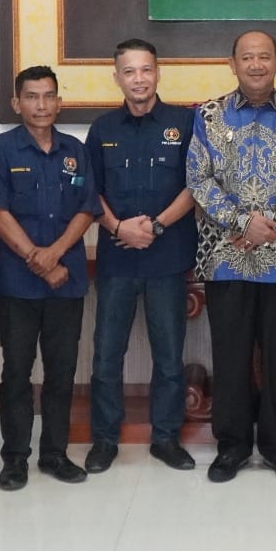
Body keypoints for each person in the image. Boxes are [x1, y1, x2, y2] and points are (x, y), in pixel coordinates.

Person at [186, 30, 276, 484]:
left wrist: (275, 223)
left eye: (264, 56)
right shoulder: (207, 115)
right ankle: (231, 445)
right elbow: (198, 178)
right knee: (230, 354)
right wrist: (241, 222)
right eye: (247, 57)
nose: (255, 64)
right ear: (232, 64)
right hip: (225, 254)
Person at [0, 66, 99, 490]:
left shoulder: (75, 150)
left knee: (61, 372)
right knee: (16, 371)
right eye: (32, 96)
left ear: (59, 102)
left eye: (49, 96)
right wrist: (37, 258)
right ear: (17, 103)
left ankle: (55, 454)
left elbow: (86, 208)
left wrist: (55, 254)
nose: (41, 105)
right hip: (17, 282)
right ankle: (15, 458)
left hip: (66, 280)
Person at [83, 39, 198, 473]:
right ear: (117, 77)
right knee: (106, 356)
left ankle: (166, 438)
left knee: (168, 357)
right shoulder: (102, 130)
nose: (138, 79)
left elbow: (196, 184)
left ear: (157, 73)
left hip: (167, 258)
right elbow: (90, 190)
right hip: (117, 258)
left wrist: (156, 227)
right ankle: (104, 440)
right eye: (129, 71)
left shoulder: (184, 123)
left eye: (146, 69)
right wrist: (118, 227)